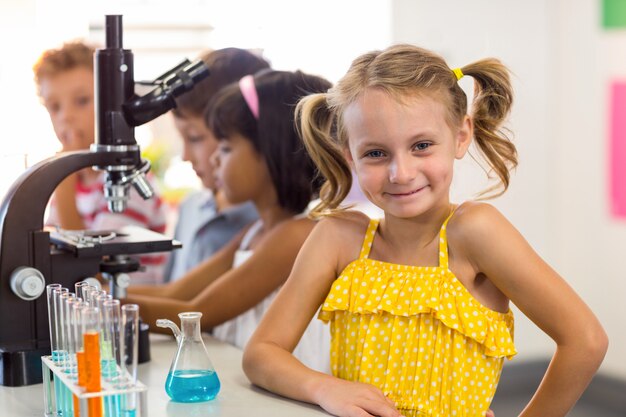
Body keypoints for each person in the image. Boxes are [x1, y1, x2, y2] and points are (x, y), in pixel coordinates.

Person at [242, 44, 609, 417]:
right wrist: (325, 388)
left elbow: (585, 340)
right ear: (348, 154)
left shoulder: (475, 232)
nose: (400, 173)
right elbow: (261, 353)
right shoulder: (337, 238)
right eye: (375, 153)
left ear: (461, 135)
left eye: (421, 146)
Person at [125, 69, 333, 372]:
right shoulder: (256, 231)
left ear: (271, 152)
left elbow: (197, 312)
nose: (214, 159)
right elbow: (177, 292)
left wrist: (102, 307)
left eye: (225, 147)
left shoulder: (300, 235)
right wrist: (93, 288)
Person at [33, 40, 168, 285]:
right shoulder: (74, 186)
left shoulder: (126, 182)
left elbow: (90, 269)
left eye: (82, 101)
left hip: (134, 307)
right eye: (54, 107)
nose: (66, 116)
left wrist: (62, 173)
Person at [164, 47, 270, 282]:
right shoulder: (190, 207)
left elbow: (188, 303)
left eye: (195, 138)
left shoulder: (267, 223)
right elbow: (170, 290)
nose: (185, 156)